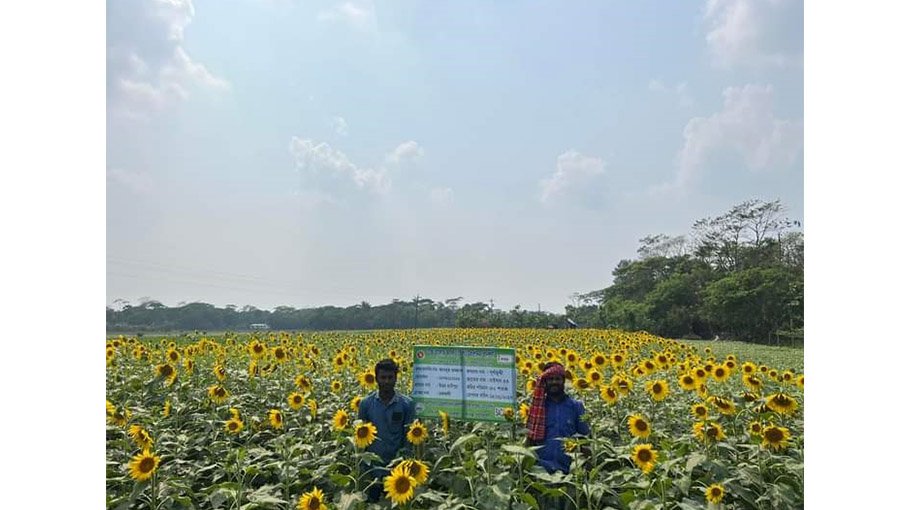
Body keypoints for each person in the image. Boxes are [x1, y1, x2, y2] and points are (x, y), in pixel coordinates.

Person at [357, 358, 416, 502]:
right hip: (373, 470)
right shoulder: (366, 404)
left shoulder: (406, 404)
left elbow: (408, 439)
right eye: (383, 377)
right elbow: (360, 438)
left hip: (397, 471)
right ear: (376, 378)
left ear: (396, 378)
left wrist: (403, 464)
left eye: (390, 377)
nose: (387, 381)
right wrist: (365, 469)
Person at [526, 361, 591, 474]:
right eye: (550, 379)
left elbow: (584, 440)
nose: (554, 382)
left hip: (569, 471)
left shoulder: (576, 407)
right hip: (540, 472)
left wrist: (587, 468)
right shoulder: (538, 408)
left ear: (563, 381)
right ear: (545, 382)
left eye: (557, 379)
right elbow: (530, 441)